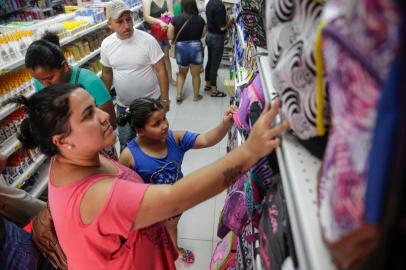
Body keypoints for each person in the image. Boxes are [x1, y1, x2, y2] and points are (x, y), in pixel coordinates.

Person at [9, 83, 288, 269]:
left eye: (95, 106)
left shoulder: (69, 160)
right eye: (88, 115)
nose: (105, 115)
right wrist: (248, 152)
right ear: (62, 141)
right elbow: (175, 198)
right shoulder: (98, 195)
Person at [117, 98, 236, 264]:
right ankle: (161, 253)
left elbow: (207, 139)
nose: (165, 125)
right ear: (139, 130)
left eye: (164, 118)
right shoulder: (129, 155)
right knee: (154, 234)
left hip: (176, 200)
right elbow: (123, 189)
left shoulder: (175, 139)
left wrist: (225, 124)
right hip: (150, 206)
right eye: (156, 123)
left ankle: (175, 248)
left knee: (172, 226)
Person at [101, 0, 170, 150]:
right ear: (109, 24)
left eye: (128, 19)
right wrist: (103, 103)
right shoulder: (107, 44)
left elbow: (161, 70)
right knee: (126, 143)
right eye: (120, 21)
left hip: (151, 104)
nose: (126, 25)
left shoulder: (147, 40)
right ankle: (130, 173)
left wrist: (164, 100)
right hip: (124, 106)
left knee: (157, 140)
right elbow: (106, 74)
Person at [25, 33, 116, 130]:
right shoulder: (40, 82)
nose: (45, 85)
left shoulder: (91, 82)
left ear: (64, 66)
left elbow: (111, 123)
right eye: (39, 80)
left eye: (50, 78)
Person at [168, 0, 207, 102]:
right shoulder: (200, 20)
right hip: (196, 48)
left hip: (181, 48)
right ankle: (196, 96)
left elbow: (169, 36)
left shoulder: (175, 19)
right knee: (195, 75)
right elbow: (202, 34)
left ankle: (178, 94)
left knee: (181, 73)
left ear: (182, 5)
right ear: (194, 5)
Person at [204, 0, 234, 97]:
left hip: (209, 36)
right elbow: (222, 27)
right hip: (217, 38)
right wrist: (230, 21)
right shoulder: (220, 6)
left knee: (210, 61)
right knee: (215, 65)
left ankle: (207, 84)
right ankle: (214, 90)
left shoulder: (210, 3)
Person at [143, 0, 176, 85]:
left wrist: (166, 15)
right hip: (153, 32)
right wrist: (159, 21)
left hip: (164, 30)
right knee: (156, 59)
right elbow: (146, 17)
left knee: (166, 56)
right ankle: (159, 81)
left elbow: (171, 13)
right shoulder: (147, 1)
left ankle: (170, 79)